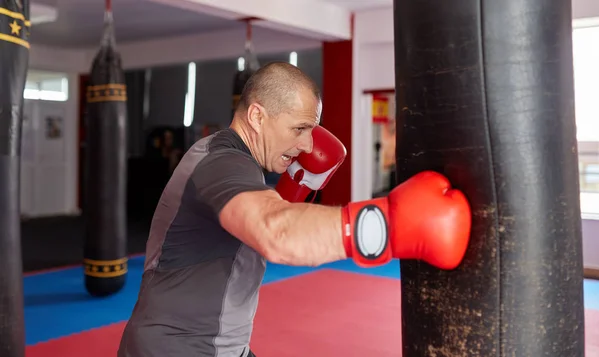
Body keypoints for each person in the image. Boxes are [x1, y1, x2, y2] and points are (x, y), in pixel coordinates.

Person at [117, 62, 472, 357]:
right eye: (300, 128)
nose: (306, 145)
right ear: (257, 115)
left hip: (221, 346)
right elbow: (277, 233)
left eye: (311, 131)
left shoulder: (243, 167)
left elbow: (257, 231)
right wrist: (389, 224)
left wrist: (292, 193)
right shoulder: (221, 162)